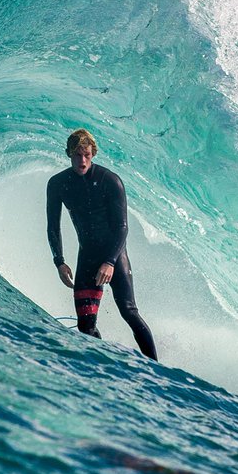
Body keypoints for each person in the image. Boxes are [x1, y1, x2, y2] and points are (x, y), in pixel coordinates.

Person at [46, 129, 157, 360]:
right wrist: (59, 262)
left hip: (114, 256)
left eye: (86, 154)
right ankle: (103, 364)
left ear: (93, 154)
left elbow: (122, 228)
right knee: (85, 326)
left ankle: (156, 368)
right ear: (69, 154)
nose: (82, 160)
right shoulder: (58, 184)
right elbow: (53, 227)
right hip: (86, 257)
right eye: (77, 155)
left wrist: (109, 262)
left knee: (129, 311)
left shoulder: (110, 181)